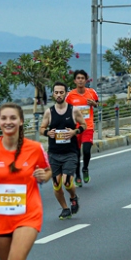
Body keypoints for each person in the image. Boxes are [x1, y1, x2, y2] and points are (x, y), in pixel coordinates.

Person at [0, 103, 52, 260]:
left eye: (13, 118)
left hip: (28, 214)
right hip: (0, 217)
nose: (8, 122)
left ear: (21, 121)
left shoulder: (35, 148)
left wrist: (45, 176)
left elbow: (48, 169)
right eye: (4, 118)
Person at [39, 82, 87, 220]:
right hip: (54, 153)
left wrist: (75, 132)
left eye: (61, 92)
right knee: (56, 184)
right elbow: (41, 128)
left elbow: (84, 125)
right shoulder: (49, 112)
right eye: (56, 92)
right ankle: (65, 208)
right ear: (53, 94)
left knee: (66, 182)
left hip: (70, 153)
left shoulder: (73, 110)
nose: (59, 95)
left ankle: (73, 197)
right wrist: (48, 133)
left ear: (66, 93)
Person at [66, 70, 99, 187]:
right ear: (75, 81)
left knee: (86, 151)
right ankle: (77, 175)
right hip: (75, 129)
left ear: (86, 80)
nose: (80, 80)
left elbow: (97, 104)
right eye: (78, 78)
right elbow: (65, 110)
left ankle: (85, 168)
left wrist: (94, 105)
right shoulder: (70, 95)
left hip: (88, 127)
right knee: (76, 154)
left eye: (82, 78)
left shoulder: (91, 93)